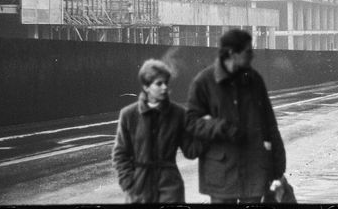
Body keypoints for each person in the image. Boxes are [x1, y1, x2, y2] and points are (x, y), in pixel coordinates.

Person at [185, 28, 286, 204]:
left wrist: (278, 166)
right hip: (221, 172)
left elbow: (269, 123)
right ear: (232, 53)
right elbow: (191, 123)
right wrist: (221, 127)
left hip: (253, 169)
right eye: (248, 51)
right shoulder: (204, 82)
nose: (252, 55)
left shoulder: (254, 80)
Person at [111, 59, 200, 203]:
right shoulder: (129, 115)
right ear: (146, 87)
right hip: (139, 188)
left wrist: (204, 131)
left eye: (166, 83)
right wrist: (128, 183)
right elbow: (120, 154)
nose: (165, 87)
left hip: (170, 188)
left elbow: (190, 151)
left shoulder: (178, 114)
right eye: (159, 84)